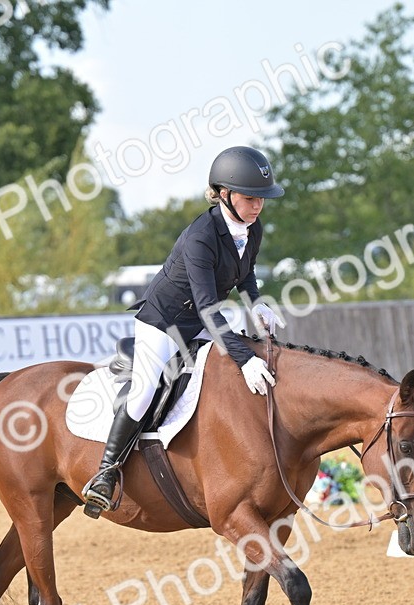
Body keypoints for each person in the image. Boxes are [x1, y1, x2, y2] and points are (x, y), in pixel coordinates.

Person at [82, 145, 286, 517]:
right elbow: (208, 307)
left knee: (230, 371)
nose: (258, 206)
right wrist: (244, 359)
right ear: (224, 194)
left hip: (199, 322)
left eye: (262, 199)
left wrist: (256, 302)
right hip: (164, 323)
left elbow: (246, 272)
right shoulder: (201, 236)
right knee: (144, 391)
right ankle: (105, 473)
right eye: (250, 198)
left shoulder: (252, 228)